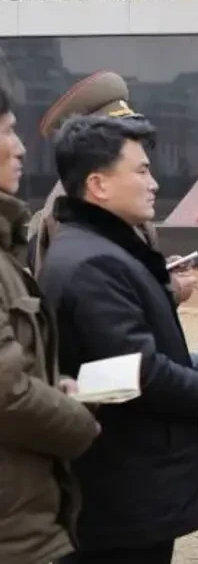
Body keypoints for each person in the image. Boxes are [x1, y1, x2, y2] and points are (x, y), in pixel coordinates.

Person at [38, 115, 198, 564]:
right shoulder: (94, 263)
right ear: (99, 184)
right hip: (124, 494)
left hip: (125, 490)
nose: (154, 184)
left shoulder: (99, 250)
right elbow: (137, 373)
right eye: (141, 171)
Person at [0, 84, 101, 564]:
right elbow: (6, 394)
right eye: (8, 131)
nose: (20, 147)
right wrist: (78, 422)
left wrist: (48, 384)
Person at [27, 71, 198, 307]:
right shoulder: (73, 208)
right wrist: (171, 289)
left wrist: (161, 272)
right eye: (117, 133)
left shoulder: (108, 198)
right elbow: (102, 296)